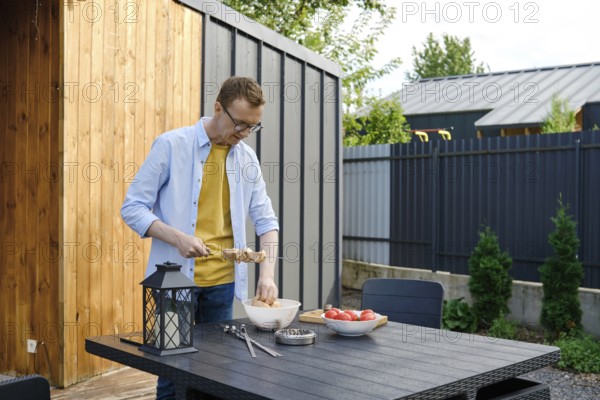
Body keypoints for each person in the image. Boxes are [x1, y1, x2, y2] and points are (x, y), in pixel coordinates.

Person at [121, 76, 279, 400]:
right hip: (172, 283)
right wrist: (177, 238)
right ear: (218, 108)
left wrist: (268, 275)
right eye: (240, 124)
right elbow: (133, 208)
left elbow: (267, 221)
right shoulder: (171, 145)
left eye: (253, 127)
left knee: (215, 373)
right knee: (172, 373)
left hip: (222, 285)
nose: (245, 134)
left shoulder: (247, 159)